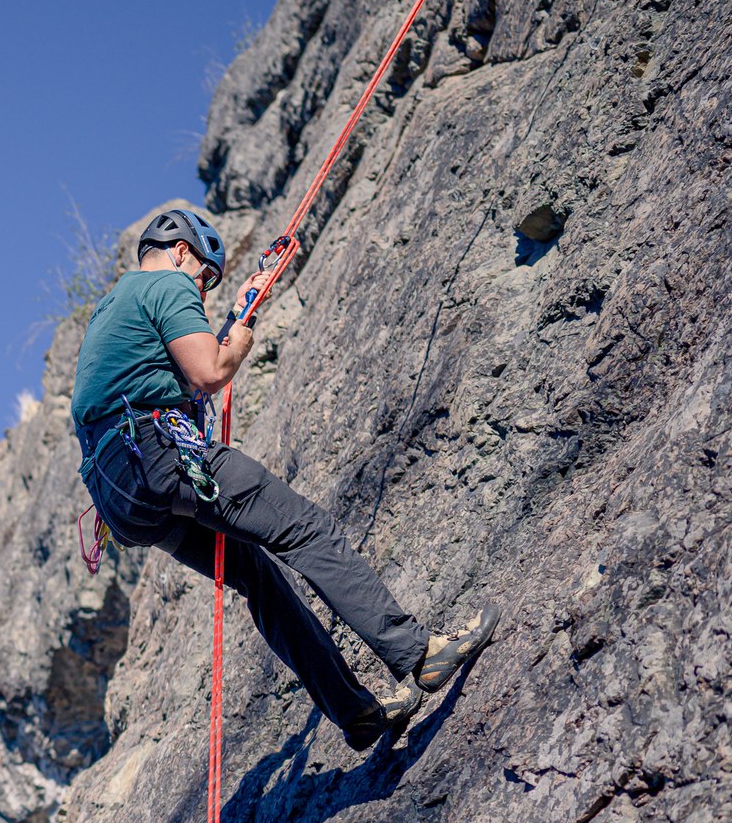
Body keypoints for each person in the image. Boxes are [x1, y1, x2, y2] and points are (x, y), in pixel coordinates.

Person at [72, 208, 498, 750]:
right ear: (182, 251)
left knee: (254, 573)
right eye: (204, 278)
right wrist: (241, 336)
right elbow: (210, 373)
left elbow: (171, 383)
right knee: (304, 528)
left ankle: (357, 713)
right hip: (163, 456)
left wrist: (236, 314)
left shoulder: (110, 311)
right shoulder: (168, 285)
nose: (199, 293)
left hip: (124, 497)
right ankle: (418, 653)